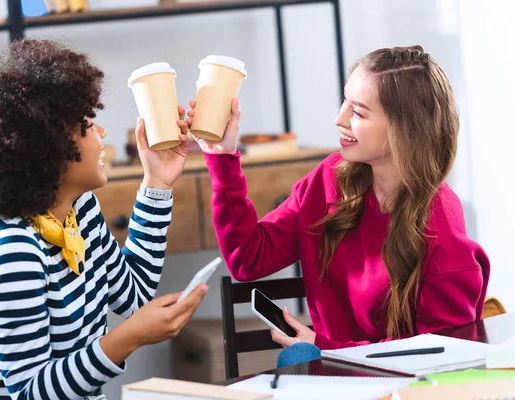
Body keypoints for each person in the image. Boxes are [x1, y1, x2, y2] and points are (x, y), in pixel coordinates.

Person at [0, 39, 204, 399]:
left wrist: (157, 181)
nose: (102, 133)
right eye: (87, 125)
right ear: (46, 149)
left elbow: (134, 297)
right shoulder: (12, 251)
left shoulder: (79, 213)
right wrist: (127, 338)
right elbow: (32, 393)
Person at [187, 45, 490, 360]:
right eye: (345, 101)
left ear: (404, 129)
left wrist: (324, 349)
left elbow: (441, 356)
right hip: (335, 375)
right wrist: (222, 157)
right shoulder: (330, 179)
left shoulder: (441, 227)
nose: (339, 118)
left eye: (358, 112)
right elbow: (247, 259)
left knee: (294, 359)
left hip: (404, 387)